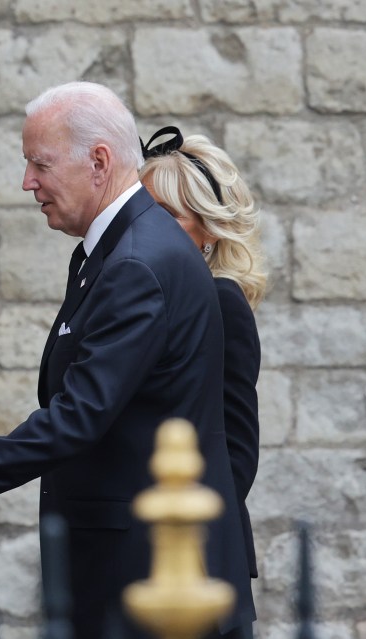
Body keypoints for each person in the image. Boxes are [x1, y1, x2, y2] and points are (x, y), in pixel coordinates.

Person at [0, 82, 256, 639]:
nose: (27, 182)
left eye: (40, 164)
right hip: (121, 569)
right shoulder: (113, 252)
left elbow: (78, 415)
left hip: (150, 578)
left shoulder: (138, 262)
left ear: (98, 162)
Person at [140, 127, 268, 599]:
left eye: (168, 215)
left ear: (209, 230)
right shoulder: (141, 294)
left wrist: (188, 544)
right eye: (145, 212)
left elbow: (237, 448)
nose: (150, 227)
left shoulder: (221, 301)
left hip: (196, 560)